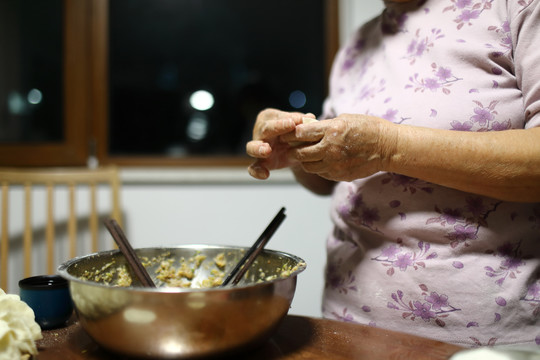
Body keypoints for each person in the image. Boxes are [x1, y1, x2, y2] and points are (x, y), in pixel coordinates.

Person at [246, 0, 540, 348]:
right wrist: (296, 152)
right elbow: (332, 181)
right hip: (348, 326)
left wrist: (388, 146)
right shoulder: (358, 44)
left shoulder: (515, 8)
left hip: (483, 341)